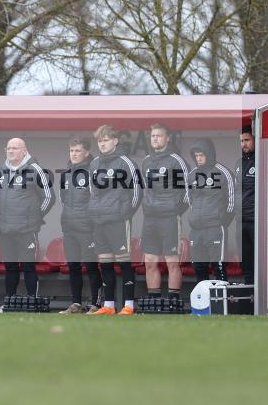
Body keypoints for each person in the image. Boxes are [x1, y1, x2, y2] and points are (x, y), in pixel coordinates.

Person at [87, 125, 142, 315]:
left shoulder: (125, 162)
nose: (102, 144)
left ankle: (129, 306)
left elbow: (136, 191)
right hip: (99, 221)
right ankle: (109, 306)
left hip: (118, 220)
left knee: (124, 263)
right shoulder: (94, 164)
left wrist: (125, 214)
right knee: (106, 264)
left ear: (115, 141)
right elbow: (91, 192)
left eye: (106, 140)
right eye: (100, 141)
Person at [0, 137, 55, 307]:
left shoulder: (35, 170)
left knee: (29, 266)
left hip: (27, 229)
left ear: (24, 150)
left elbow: (49, 197)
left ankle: (32, 302)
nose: (11, 151)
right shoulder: (1, 171)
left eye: (15, 148)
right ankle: (9, 302)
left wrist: (35, 217)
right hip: (5, 230)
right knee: (10, 267)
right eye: (8, 148)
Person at [140, 124, 190, 302]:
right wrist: (147, 206)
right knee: (150, 262)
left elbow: (188, 188)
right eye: (153, 136)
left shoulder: (176, 160)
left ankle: (173, 301)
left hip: (169, 218)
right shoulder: (146, 160)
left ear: (168, 138)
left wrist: (175, 209)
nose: (155, 139)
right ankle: (154, 301)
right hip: (150, 219)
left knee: (172, 262)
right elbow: (144, 188)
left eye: (159, 136)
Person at [237, 125, 268, 306]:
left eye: (247, 140)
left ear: (256, 140)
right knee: (247, 264)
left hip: (261, 222)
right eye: (241, 141)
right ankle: (250, 302)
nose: (244, 144)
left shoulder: (267, 162)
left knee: (265, 263)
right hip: (242, 221)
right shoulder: (238, 163)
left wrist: (266, 214)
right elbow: (234, 192)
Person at [59, 136, 102, 314]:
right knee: (73, 266)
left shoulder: (93, 171)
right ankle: (76, 303)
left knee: (91, 266)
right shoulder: (66, 173)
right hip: (69, 227)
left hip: (88, 227)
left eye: (78, 151)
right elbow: (63, 199)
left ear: (86, 152)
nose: (74, 154)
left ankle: (96, 304)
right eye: (72, 150)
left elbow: (97, 199)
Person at [187, 137, 236, 285]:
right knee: (198, 265)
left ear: (209, 154)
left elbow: (232, 202)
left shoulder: (223, 173)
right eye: (196, 156)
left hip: (215, 227)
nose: (199, 158)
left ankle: (221, 305)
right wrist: (195, 217)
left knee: (218, 265)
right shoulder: (191, 175)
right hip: (196, 229)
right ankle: (204, 305)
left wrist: (221, 221)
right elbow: (189, 199)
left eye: (201, 155)